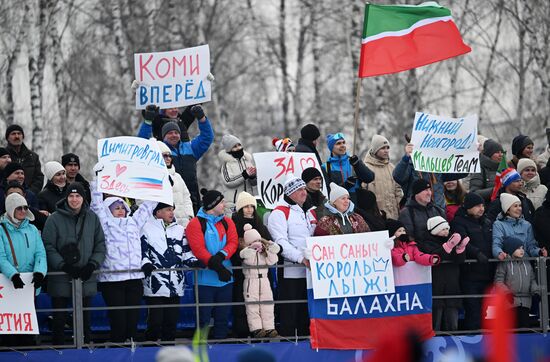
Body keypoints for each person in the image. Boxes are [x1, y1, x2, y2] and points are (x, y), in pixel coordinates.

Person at [89, 168, 156, 343]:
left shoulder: (133, 221)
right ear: (107, 210)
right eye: (115, 208)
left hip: (134, 278)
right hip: (112, 279)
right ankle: (118, 350)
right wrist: (98, 178)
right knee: (118, 318)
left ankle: (132, 346)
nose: (120, 210)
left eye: (122, 207)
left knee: (133, 318)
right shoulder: (104, 222)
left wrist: (160, 185)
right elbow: (96, 204)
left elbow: (148, 206)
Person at [42, 182, 106, 345]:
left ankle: (85, 350)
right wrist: (63, 265)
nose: (74, 199)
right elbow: (48, 246)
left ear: (83, 198)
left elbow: (100, 245)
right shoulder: (54, 219)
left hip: (85, 277)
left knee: (85, 319)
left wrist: (92, 265)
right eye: (71, 195)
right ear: (66, 197)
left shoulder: (92, 218)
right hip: (61, 277)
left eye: (78, 196)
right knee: (59, 319)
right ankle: (59, 351)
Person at [141, 203, 200, 341]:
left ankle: (169, 351)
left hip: (175, 284)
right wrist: (146, 263)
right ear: (158, 212)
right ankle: (150, 350)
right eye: (168, 209)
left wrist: (194, 261)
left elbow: (186, 253)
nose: (172, 212)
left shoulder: (180, 229)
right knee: (155, 321)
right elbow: (143, 251)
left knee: (171, 322)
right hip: (155, 284)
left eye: (173, 209)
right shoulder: (146, 228)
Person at [267, 175, 316, 336]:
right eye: (300, 189)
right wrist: (300, 258)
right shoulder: (279, 213)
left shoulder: (308, 212)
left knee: (305, 313)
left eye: (304, 188)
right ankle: (287, 346)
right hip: (291, 271)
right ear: (291, 193)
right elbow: (281, 243)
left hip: (310, 272)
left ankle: (305, 344)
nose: (304, 192)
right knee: (290, 312)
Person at [186, 189, 238, 339]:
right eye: (221, 202)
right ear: (212, 204)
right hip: (204, 280)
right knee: (203, 318)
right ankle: (200, 348)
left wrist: (222, 255)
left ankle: (221, 348)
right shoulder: (195, 223)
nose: (224, 204)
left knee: (223, 318)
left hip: (226, 278)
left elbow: (233, 242)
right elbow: (198, 249)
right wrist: (218, 267)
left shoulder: (227, 221)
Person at [0, 193, 47, 346]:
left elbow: (40, 253)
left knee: (27, 330)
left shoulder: (33, 229)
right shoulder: (1, 229)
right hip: (8, 285)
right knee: (9, 331)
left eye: (25, 207)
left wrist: (40, 272)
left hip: (29, 286)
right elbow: (0, 256)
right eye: (18, 208)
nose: (22, 211)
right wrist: (12, 275)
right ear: (10, 208)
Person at [156, 106, 214, 213]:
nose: (174, 135)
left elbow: (207, 138)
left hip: (192, 200)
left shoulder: (190, 148)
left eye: (176, 133)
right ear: (163, 136)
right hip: (169, 201)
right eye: (170, 133)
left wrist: (202, 119)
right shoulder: (159, 151)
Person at [451, 192, 495, 331]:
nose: (481, 208)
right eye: (477, 206)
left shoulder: (486, 221)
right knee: (473, 311)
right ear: (468, 206)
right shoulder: (458, 222)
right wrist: (477, 253)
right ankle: (474, 342)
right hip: (470, 274)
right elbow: (462, 241)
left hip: (487, 273)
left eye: (482, 205)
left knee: (486, 312)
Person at [231, 191, 272, 338]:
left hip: (261, 271)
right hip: (241, 270)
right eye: (246, 206)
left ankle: (265, 329)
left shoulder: (259, 223)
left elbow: (270, 241)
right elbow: (233, 246)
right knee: (242, 301)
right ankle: (243, 332)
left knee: (263, 302)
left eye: (251, 206)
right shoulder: (234, 224)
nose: (249, 209)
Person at [418, 216, 468, 331]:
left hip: (452, 285)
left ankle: (454, 343)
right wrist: (448, 246)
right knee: (436, 321)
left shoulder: (451, 240)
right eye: (443, 229)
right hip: (436, 285)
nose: (447, 231)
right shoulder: (426, 242)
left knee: (452, 323)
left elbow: (459, 260)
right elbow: (435, 257)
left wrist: (460, 249)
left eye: (447, 229)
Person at [393, 141, 467, 210]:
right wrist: (406, 157)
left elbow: (462, 172)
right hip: (417, 212)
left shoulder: (438, 165)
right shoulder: (410, 165)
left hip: (438, 211)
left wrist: (472, 153)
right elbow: (398, 177)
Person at [240, 224, 280, 338]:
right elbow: (248, 260)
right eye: (254, 240)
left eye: (258, 240)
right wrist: (253, 249)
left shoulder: (263, 251)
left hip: (264, 280)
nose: (257, 242)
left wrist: (269, 248)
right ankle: (256, 328)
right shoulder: (246, 252)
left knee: (267, 304)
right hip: (251, 281)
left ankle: (269, 328)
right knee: (252, 306)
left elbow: (273, 261)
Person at [494, 237, 539, 328]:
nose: (522, 250)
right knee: (512, 327)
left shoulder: (526, 263)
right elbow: (498, 281)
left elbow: (532, 279)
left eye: (522, 248)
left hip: (525, 302)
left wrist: (536, 292)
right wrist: (507, 293)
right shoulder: (505, 263)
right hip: (510, 302)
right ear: (511, 249)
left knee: (524, 326)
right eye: (518, 248)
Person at [323, 132, 374, 203]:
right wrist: (345, 186)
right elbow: (327, 190)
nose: (342, 145)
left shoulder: (353, 161)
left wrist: (358, 165)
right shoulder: (326, 167)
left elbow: (369, 178)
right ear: (331, 148)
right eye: (338, 143)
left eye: (343, 143)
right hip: (338, 205)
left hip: (356, 203)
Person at [492, 193, 546, 260]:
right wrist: (499, 253)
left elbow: (531, 246)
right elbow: (496, 244)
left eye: (520, 206)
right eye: (515, 206)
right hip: (507, 263)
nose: (519, 208)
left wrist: (539, 252)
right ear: (507, 210)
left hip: (525, 264)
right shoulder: (498, 224)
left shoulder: (527, 225)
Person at [362, 134, 403, 219]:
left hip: (394, 216)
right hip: (376, 217)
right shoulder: (366, 168)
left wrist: (401, 209)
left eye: (387, 148)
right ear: (375, 150)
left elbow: (398, 191)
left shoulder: (392, 168)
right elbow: (363, 193)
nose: (386, 150)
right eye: (383, 148)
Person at [157, 141, 194, 227]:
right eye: (165, 156)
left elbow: (186, 197)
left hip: (184, 223)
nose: (168, 158)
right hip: (165, 224)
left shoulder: (177, 176)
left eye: (170, 156)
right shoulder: (154, 177)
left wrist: (189, 215)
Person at [218, 134, 257, 216]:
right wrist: (244, 175)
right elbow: (228, 181)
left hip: (248, 202)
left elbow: (253, 183)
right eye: (234, 147)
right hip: (234, 204)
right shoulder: (226, 165)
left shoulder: (247, 161)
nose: (238, 148)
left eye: (239, 145)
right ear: (229, 150)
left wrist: (253, 177)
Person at [5, 125, 44, 194]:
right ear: (7, 138)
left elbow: (39, 178)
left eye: (19, 133)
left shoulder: (33, 157)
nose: (17, 136)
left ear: (23, 137)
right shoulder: (3, 156)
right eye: (13, 134)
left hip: (29, 197)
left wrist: (29, 193)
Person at [469, 139, 504, 204]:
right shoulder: (479, 168)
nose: (500, 154)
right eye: (497, 152)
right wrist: (495, 190)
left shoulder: (505, 168)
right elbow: (474, 193)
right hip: (487, 209)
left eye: (501, 152)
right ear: (489, 154)